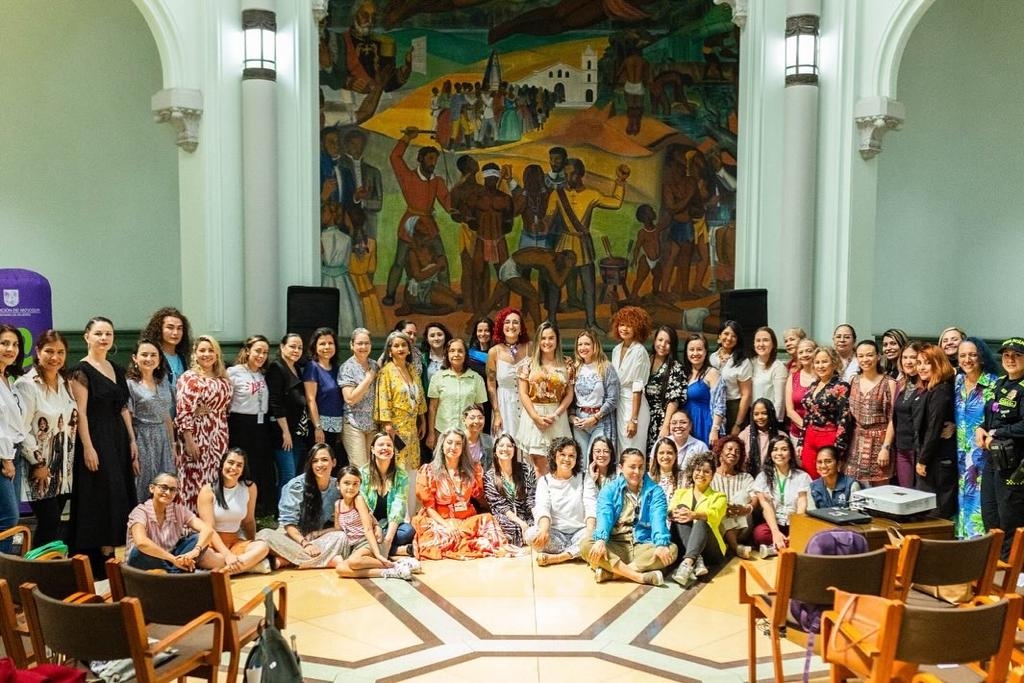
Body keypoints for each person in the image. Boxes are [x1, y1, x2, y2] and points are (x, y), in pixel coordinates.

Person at [69, 317, 138, 572]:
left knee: (120, 495)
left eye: (108, 333)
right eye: (98, 333)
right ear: (87, 336)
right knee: (102, 496)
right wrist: (87, 446)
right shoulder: (80, 371)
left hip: (118, 438)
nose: (104, 338)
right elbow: (81, 413)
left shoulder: (116, 368)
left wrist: (132, 441)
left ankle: (115, 553)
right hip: (96, 438)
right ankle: (100, 560)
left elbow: (122, 408)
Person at [543, 158, 630, 330]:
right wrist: (542, 224)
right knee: (555, 285)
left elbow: (616, 203)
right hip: (565, 243)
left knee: (589, 287)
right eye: (566, 174)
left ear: (581, 174)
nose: (569, 178)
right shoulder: (557, 194)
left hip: (583, 244)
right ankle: (551, 322)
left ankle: (591, 323)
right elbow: (548, 217)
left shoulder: (592, 194)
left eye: (573, 174)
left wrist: (620, 181)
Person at [13, 330, 76, 546]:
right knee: (48, 520)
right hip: (39, 467)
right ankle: (34, 570)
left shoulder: (66, 383)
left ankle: (47, 566)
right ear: (38, 351)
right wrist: (37, 462)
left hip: (63, 467)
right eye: (49, 351)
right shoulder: (27, 384)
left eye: (60, 352)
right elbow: (22, 430)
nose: (55, 357)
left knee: (56, 522)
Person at [582, 448, 678, 586]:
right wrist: (601, 539)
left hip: (643, 543)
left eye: (641, 467)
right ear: (621, 467)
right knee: (586, 544)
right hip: (616, 542)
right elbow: (604, 515)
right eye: (632, 467)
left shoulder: (655, 491)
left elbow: (658, 518)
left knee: (672, 549)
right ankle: (640, 577)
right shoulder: (609, 489)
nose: (637, 472)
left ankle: (614, 573)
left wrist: (661, 544)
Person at [383, 128, 457, 306]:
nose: (433, 163)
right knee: (399, 261)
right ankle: (390, 294)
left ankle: (446, 293)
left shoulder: (437, 181)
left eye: (435, 159)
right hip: (410, 224)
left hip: (428, 224)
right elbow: (395, 158)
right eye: (430, 159)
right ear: (420, 159)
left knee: (441, 258)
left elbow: (447, 202)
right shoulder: (408, 177)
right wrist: (407, 138)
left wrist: (455, 209)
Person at [412, 428, 512, 559]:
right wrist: (446, 525)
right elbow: (429, 508)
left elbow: (481, 496)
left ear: (463, 448)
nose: (453, 447)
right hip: (441, 521)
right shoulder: (429, 471)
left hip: (466, 520)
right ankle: (465, 541)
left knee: (488, 520)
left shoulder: (473, 470)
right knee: (438, 540)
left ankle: (468, 540)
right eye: (449, 442)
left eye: (458, 443)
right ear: (442, 445)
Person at [256, 443, 350, 568]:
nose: (320, 464)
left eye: (324, 460)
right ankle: (326, 560)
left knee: (341, 537)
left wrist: (319, 533)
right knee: (265, 535)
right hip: (291, 538)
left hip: (315, 540)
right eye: (315, 461)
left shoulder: (337, 487)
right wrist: (305, 544)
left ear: (333, 462)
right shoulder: (296, 486)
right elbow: (288, 524)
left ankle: (285, 561)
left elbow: (340, 526)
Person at [977, 337, 1024, 559]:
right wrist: (981, 428)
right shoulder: (999, 384)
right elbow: (990, 416)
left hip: (1015, 463)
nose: (1011, 359)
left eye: (1017, 355)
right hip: (993, 459)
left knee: (1011, 518)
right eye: (1006, 355)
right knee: (990, 514)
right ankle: (994, 566)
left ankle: (1013, 570)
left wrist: (997, 433)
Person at [175, 335, 232, 510]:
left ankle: (213, 520)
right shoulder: (190, 378)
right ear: (195, 354)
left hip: (219, 434)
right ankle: (192, 524)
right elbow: (183, 410)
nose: (206, 354)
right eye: (202, 350)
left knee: (216, 477)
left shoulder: (223, 377)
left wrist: (212, 410)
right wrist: (189, 440)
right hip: (197, 433)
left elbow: (226, 407)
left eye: (210, 350)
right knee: (195, 478)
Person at [332, 465, 417, 580]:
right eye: (346, 483)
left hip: (368, 543)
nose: (351, 487)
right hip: (354, 547)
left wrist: (377, 554)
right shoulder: (338, 505)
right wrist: (319, 533)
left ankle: (393, 564)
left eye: (355, 483)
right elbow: (338, 530)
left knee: (354, 561)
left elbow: (368, 529)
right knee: (340, 569)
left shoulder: (358, 500)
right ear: (338, 485)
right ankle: (392, 570)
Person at [375, 330, 427, 515]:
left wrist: (422, 420)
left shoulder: (412, 369)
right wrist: (389, 430)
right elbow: (383, 400)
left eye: (403, 345)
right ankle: (398, 518)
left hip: (412, 428)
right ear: (389, 350)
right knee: (398, 472)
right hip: (395, 429)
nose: (400, 348)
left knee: (412, 470)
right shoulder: (386, 372)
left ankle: (411, 515)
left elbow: (419, 396)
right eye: (396, 345)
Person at [126, 472, 221, 573]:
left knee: (198, 538)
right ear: (152, 488)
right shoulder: (140, 512)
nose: (167, 493)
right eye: (163, 487)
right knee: (139, 551)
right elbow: (141, 542)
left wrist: (195, 552)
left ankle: (173, 574)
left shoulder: (179, 510)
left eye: (172, 490)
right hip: (147, 563)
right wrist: (173, 559)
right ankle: (177, 574)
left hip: (171, 562)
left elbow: (207, 530)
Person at [196, 448, 272, 574]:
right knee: (204, 558)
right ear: (222, 465)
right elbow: (209, 530)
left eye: (239, 465)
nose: (234, 468)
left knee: (263, 547)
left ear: (243, 470)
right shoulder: (207, 491)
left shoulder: (249, 488)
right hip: (212, 545)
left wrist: (252, 545)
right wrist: (227, 555)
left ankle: (226, 571)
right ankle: (247, 566)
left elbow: (248, 521)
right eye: (230, 463)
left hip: (235, 543)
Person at [954, 337, 999, 538]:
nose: (967, 359)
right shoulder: (956, 382)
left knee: (981, 508)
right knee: (959, 505)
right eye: (962, 355)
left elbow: (1000, 420)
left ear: (981, 356)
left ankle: (980, 553)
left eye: (972, 354)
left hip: (983, 457)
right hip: (958, 456)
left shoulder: (994, 384)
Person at [527, 437, 597, 566]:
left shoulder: (584, 478)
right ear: (554, 456)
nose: (567, 459)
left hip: (580, 531)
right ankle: (577, 553)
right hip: (556, 534)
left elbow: (590, 505)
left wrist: (590, 531)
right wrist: (544, 530)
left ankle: (560, 557)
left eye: (571, 456)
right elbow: (543, 507)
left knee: (596, 535)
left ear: (577, 459)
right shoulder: (545, 481)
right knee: (530, 534)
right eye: (562, 454)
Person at [516, 322, 574, 475]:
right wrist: (535, 417)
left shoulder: (567, 364)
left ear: (557, 340)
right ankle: (540, 497)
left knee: (559, 461)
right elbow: (523, 393)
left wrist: (556, 415)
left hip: (557, 414)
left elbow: (569, 393)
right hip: (534, 413)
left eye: (551, 338)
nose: (547, 342)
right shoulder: (528, 364)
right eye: (543, 338)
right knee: (538, 463)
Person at [227, 335, 275, 517]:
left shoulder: (262, 374)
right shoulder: (234, 372)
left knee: (260, 467)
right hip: (241, 425)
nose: (261, 355)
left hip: (260, 425)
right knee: (242, 466)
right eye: (257, 351)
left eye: (265, 352)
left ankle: (257, 510)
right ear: (247, 351)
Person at [125, 340, 174, 504]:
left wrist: (173, 444)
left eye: (153, 355)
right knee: (144, 484)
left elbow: (167, 416)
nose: (149, 358)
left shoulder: (164, 382)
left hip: (164, 439)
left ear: (160, 359)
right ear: (135, 358)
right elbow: (128, 418)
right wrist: (133, 445)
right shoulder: (130, 385)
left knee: (165, 483)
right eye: (144, 354)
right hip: (143, 438)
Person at [668, 453, 727, 588]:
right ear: (692, 472)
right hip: (684, 543)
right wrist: (674, 512)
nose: (701, 474)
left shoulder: (720, 496)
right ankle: (696, 559)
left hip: (711, 549)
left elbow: (714, 514)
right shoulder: (680, 493)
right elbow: (670, 509)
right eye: (698, 470)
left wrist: (694, 515)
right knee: (680, 511)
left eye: (706, 472)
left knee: (701, 521)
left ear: (712, 476)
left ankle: (688, 563)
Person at [913, 344, 958, 519]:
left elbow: (934, 428)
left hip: (938, 461)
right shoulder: (929, 388)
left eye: (927, 363)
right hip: (931, 458)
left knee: (935, 511)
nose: (921, 367)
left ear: (938, 364)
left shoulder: (941, 390)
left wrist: (923, 460)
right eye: (919, 363)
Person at [846, 340, 897, 487]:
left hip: (880, 442)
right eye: (861, 356)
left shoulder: (889, 383)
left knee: (880, 493)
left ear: (878, 357)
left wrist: (885, 448)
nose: (865, 359)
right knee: (856, 492)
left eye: (869, 355)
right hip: (856, 442)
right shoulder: (853, 381)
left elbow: (893, 419)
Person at [360, 432, 416, 557]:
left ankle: (378, 548)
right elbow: (362, 507)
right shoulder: (362, 473)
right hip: (368, 524)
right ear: (373, 449)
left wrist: (388, 540)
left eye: (389, 445)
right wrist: (375, 527)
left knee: (407, 532)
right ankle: (398, 551)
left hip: (388, 525)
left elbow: (398, 507)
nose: (385, 448)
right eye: (381, 445)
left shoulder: (402, 476)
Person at [798, 347, 851, 477]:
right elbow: (807, 414)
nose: (820, 366)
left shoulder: (841, 386)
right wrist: (801, 441)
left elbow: (844, 419)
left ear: (833, 362)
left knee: (828, 477)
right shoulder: (813, 385)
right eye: (817, 362)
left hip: (829, 436)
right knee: (809, 477)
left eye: (824, 362)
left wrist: (839, 449)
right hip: (810, 436)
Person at [752, 436, 811, 554]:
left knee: (809, 534)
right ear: (770, 454)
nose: (779, 453)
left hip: (794, 523)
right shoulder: (762, 477)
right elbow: (766, 507)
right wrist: (775, 532)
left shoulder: (802, 476)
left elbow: (802, 505)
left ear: (790, 453)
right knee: (760, 534)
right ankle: (788, 547)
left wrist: (795, 531)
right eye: (775, 449)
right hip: (774, 523)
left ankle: (776, 549)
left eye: (784, 449)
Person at [266, 333, 308, 496]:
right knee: (288, 474)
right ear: (282, 347)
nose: (296, 350)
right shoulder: (277, 368)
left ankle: (291, 509)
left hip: (297, 430)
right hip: (283, 432)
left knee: (296, 475)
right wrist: (285, 432)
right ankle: (282, 513)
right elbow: (275, 402)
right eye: (292, 346)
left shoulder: (296, 367)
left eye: (299, 347)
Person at [428, 338, 487, 450]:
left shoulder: (476, 378)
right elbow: (432, 408)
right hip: (443, 431)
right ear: (447, 354)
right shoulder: (438, 377)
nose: (456, 354)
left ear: (465, 355)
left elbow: (480, 408)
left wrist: (480, 433)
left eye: (460, 351)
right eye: (452, 351)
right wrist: (431, 433)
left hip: (468, 433)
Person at [571, 329, 619, 458]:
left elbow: (612, 399)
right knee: (581, 463)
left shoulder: (606, 367)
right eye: (579, 344)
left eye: (587, 344)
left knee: (599, 460)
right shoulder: (574, 368)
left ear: (595, 345)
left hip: (600, 421)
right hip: (580, 422)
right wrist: (572, 417)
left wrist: (595, 418)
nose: (583, 348)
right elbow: (570, 398)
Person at [0, 325, 26, 553]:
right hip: (3, 456)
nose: (11, 349)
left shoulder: (8, 378)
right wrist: (6, 459)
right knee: (8, 518)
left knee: (8, 518)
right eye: (4, 343)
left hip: (15, 454)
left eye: (15, 344)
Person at [610, 306, 651, 452]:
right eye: (622, 324)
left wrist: (634, 419)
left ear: (638, 328)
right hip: (618, 402)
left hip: (633, 405)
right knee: (619, 451)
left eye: (629, 325)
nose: (624, 329)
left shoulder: (640, 351)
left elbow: (637, 386)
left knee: (632, 448)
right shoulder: (616, 350)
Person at [483, 433, 536, 546]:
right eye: (501, 445)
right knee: (511, 528)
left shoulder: (526, 470)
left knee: (537, 526)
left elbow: (531, 499)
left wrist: (537, 518)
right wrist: (521, 523)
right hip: (505, 517)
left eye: (509, 446)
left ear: (514, 449)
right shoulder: (489, 476)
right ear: (495, 451)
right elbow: (501, 507)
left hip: (525, 514)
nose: (505, 449)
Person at [884, 342, 924, 488]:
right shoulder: (902, 384)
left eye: (913, 357)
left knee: (921, 496)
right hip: (902, 448)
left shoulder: (929, 384)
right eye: (905, 357)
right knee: (905, 493)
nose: (908, 361)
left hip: (920, 450)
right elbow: (894, 419)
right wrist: (886, 447)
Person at [339, 328, 379, 469]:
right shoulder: (347, 368)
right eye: (359, 343)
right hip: (354, 424)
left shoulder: (375, 365)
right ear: (352, 345)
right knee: (360, 468)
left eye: (366, 343)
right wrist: (368, 379)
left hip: (373, 424)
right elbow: (350, 398)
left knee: (373, 467)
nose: (363, 347)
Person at [712, 436, 757, 559]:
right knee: (720, 504)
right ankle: (736, 547)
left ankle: (730, 545)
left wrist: (747, 509)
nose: (733, 453)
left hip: (743, 524)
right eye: (730, 449)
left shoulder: (746, 477)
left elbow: (755, 499)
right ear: (720, 452)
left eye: (737, 451)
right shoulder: (710, 475)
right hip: (718, 523)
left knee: (742, 495)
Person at [486, 307, 528, 437]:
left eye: (515, 322)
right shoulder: (494, 352)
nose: (511, 326)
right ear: (501, 326)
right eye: (507, 322)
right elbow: (491, 385)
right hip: (504, 404)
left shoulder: (530, 348)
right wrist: (497, 413)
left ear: (521, 327)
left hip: (527, 403)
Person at [140, 307, 192, 410]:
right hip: (158, 418)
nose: (175, 332)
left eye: (179, 328)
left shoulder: (185, 357)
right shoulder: (151, 357)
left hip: (182, 419)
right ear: (159, 329)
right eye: (170, 327)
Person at [303, 327, 344, 456]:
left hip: (337, 426)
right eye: (322, 344)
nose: (327, 347)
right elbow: (311, 399)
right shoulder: (312, 367)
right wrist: (317, 427)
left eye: (330, 343)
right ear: (315, 347)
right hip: (320, 427)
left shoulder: (338, 368)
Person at [644, 326, 687, 448]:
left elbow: (673, 400)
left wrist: (666, 426)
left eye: (668, 342)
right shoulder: (646, 360)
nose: (663, 345)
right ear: (654, 341)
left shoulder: (676, 367)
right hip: (644, 416)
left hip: (661, 419)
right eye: (660, 340)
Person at [682, 334, 725, 447]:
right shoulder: (684, 374)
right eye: (691, 350)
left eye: (699, 349)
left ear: (706, 352)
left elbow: (719, 405)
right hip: (686, 424)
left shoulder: (712, 373)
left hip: (705, 423)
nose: (695, 353)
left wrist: (715, 430)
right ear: (686, 352)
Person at [710, 320, 753, 435]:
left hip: (734, 407)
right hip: (714, 406)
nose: (729, 338)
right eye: (726, 334)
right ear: (719, 336)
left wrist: (738, 424)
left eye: (734, 336)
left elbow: (746, 395)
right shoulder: (711, 358)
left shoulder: (743, 362)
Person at [739, 398, 787, 478]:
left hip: (775, 478)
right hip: (748, 478)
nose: (760, 417)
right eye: (756, 414)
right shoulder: (745, 435)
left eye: (764, 413)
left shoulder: (781, 436)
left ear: (770, 414)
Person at [785, 337, 818, 441]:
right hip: (797, 434)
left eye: (809, 351)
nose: (805, 355)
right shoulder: (793, 377)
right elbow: (790, 410)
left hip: (820, 434)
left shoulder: (823, 376)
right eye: (801, 352)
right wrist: (806, 428)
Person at [751, 326, 786, 415]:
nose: (761, 344)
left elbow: (779, 401)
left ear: (773, 344)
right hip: (752, 416)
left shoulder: (778, 367)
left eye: (765, 340)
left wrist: (774, 422)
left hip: (769, 417)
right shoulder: (750, 363)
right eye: (758, 340)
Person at [461, 404, 494, 471]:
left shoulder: (488, 440)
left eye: (480, 418)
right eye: (472, 418)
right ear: (464, 420)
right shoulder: (457, 439)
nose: (476, 421)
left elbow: (490, 466)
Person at [421, 322, 452, 390]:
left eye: (440, 335)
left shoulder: (452, 357)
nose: (436, 338)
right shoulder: (422, 359)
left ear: (445, 336)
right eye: (432, 336)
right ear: (427, 339)